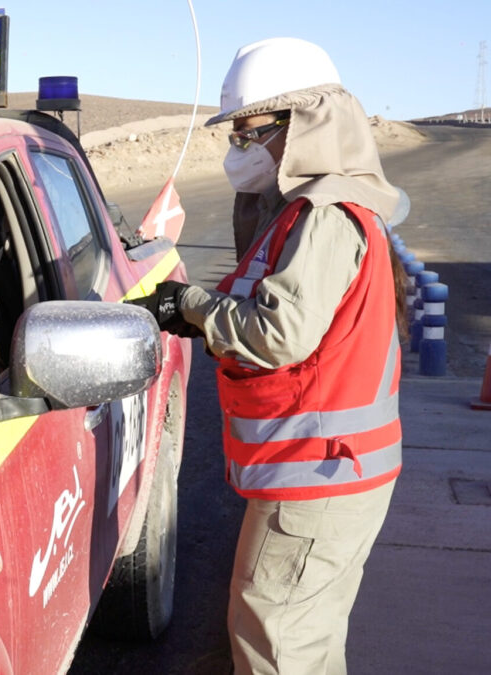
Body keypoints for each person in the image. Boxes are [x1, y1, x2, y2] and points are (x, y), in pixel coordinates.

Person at [131, 38, 408, 674]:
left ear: (305, 123)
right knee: (305, 642)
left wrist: (192, 304)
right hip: (326, 471)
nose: (240, 149)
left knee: (276, 646)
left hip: (317, 476)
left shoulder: (325, 215)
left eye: (250, 132)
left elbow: (280, 336)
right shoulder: (303, 213)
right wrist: (198, 320)